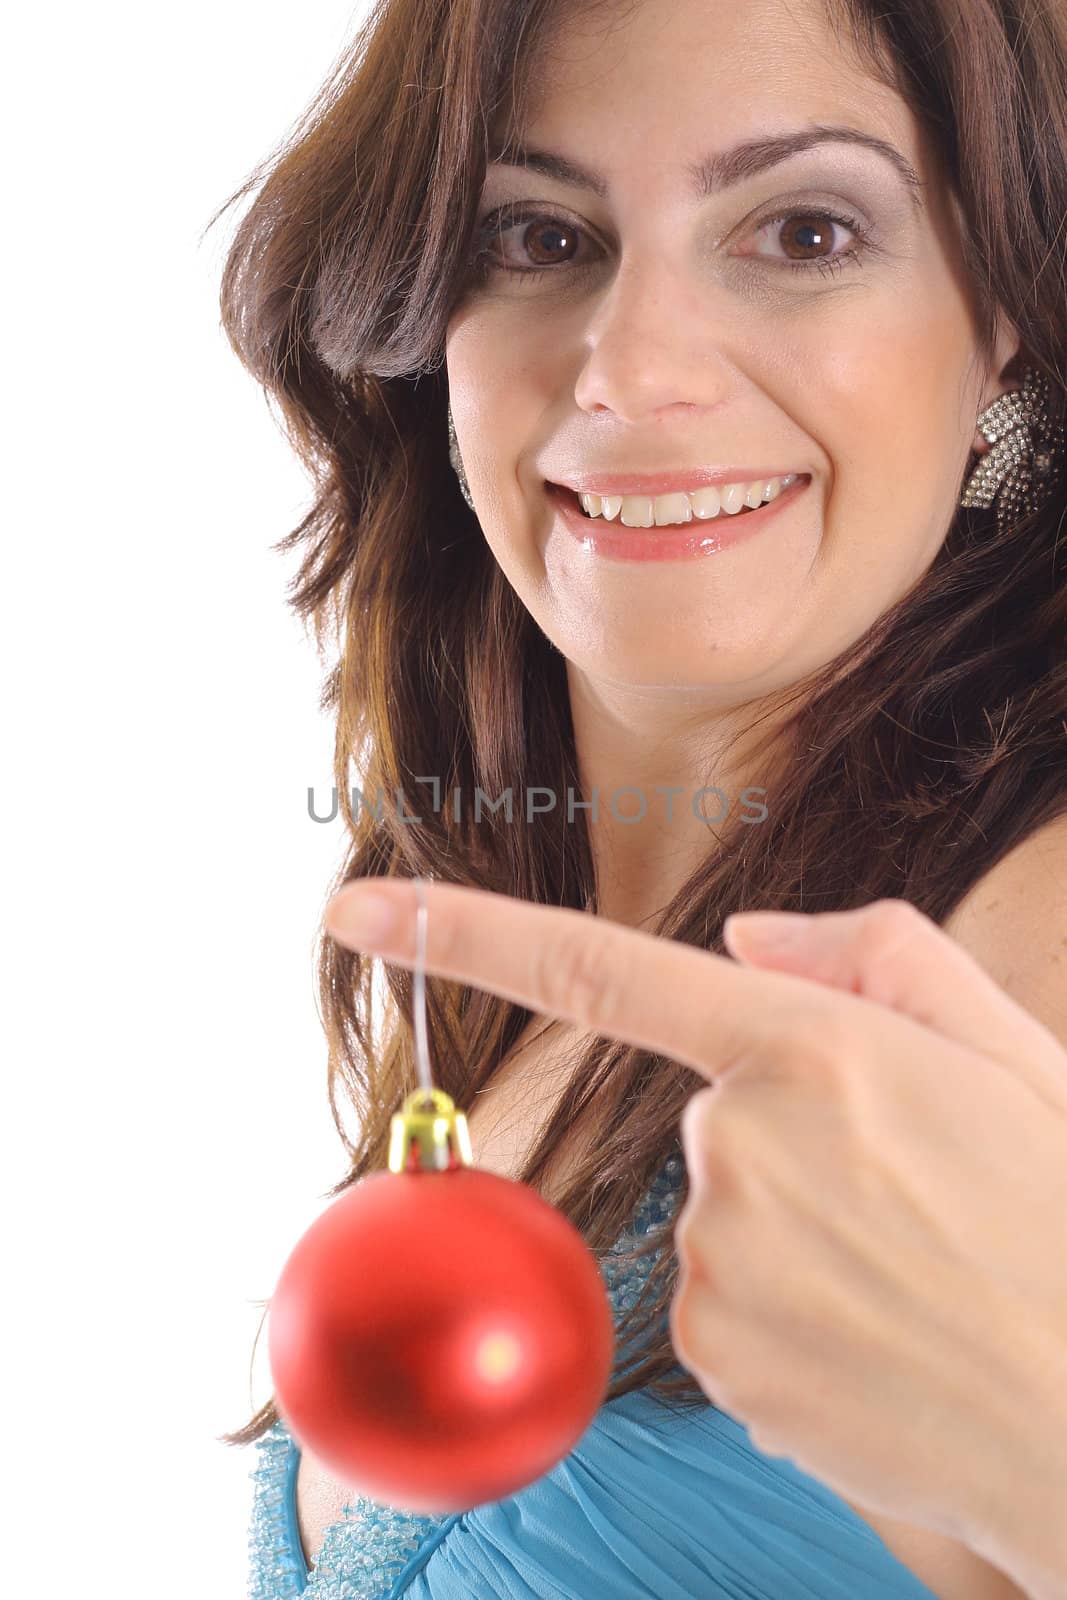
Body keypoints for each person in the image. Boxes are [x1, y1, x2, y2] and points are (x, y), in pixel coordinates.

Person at [212, 0, 1067, 1595]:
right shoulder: (526, 965)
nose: (637, 370)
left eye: (805, 230)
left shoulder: (1030, 967)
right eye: (538, 234)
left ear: (1005, 303)